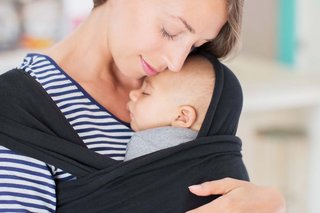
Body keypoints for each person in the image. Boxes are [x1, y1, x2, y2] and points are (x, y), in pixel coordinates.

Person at [0, 0, 285, 212]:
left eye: (196, 43)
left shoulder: (188, 89)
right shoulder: (17, 112)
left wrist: (273, 203)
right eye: (171, 31)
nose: (176, 61)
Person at [125, 54, 215, 161]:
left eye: (145, 92)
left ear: (182, 117)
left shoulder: (147, 145)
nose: (132, 94)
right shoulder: (209, 154)